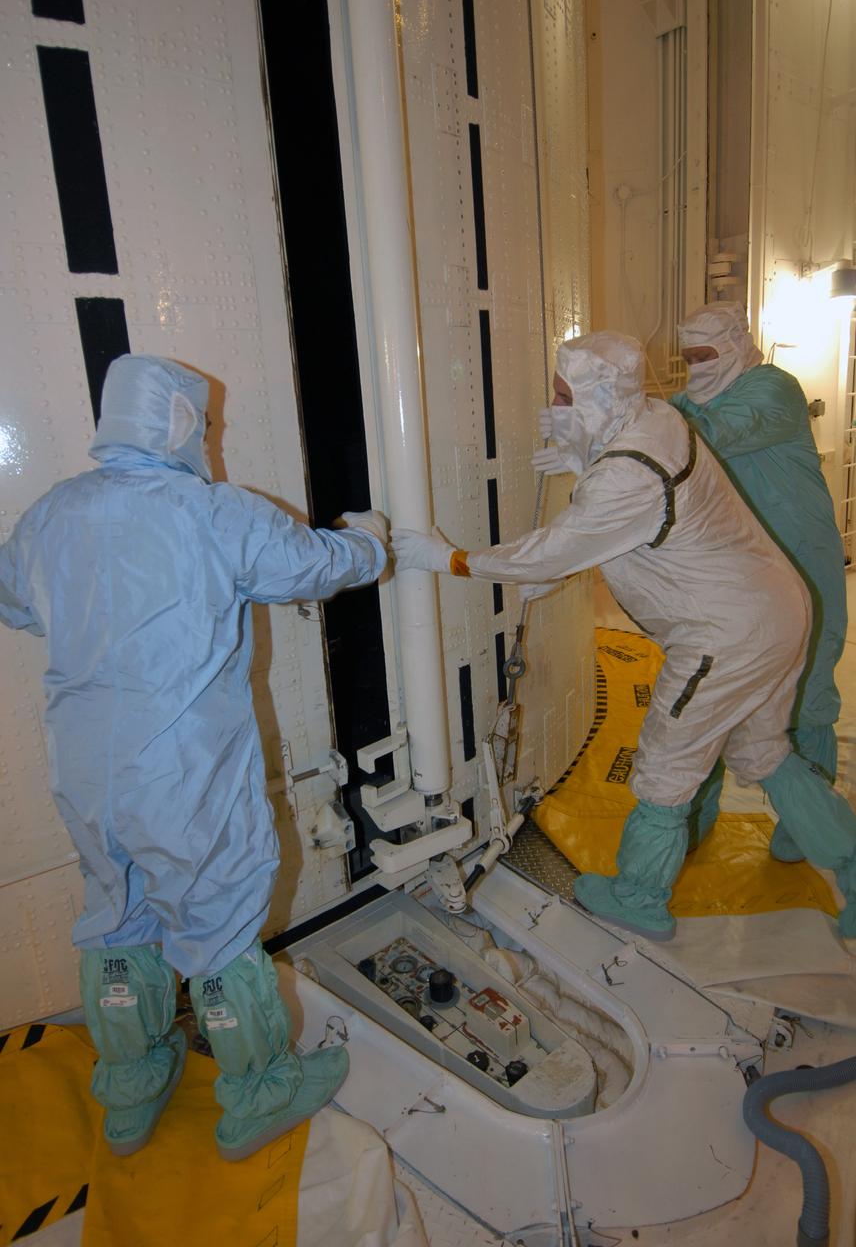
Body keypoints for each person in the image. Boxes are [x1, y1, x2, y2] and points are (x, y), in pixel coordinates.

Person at [0, 355, 388, 1161]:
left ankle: (131, 1086)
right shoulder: (211, 513)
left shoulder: (51, 513)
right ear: (180, 422)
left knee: (115, 913)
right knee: (216, 929)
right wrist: (373, 543)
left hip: (85, 772)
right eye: (205, 425)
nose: (209, 441)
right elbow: (315, 566)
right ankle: (259, 1093)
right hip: (182, 773)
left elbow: (15, 599)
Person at [391, 331, 856, 944]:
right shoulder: (656, 418)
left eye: (563, 396)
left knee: (666, 765)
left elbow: (559, 545)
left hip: (724, 634)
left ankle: (639, 897)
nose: (552, 406)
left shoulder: (626, 477)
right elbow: (638, 519)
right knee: (762, 753)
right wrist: (583, 455)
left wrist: (449, 558)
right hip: (772, 611)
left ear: (598, 397)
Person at [672, 301, 847, 860]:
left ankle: (805, 820)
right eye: (689, 358)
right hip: (737, 567)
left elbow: (710, 434)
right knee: (716, 688)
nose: (698, 366)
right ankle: (694, 815)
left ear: (735, 346)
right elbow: (658, 433)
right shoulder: (685, 401)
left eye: (708, 355)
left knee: (809, 687)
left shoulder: (774, 389)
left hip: (802, 558)